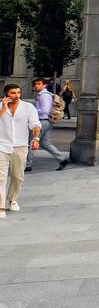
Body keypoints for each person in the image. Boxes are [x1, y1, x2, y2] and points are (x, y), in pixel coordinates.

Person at [0, 84, 41, 216]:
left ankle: (12, 200)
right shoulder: (0, 106)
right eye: (13, 93)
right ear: (6, 95)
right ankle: (0, 207)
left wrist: (36, 138)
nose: (16, 96)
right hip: (1, 145)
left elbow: (35, 124)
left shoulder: (28, 107)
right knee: (1, 178)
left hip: (20, 146)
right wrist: (3, 109)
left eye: (18, 93)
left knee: (18, 177)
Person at [32, 77, 68, 170]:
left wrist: (32, 110)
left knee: (32, 141)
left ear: (44, 85)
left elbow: (45, 110)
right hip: (46, 121)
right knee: (45, 143)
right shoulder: (42, 95)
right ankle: (62, 159)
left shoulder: (44, 95)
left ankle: (27, 165)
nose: (36, 86)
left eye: (39, 84)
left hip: (43, 121)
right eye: (35, 84)